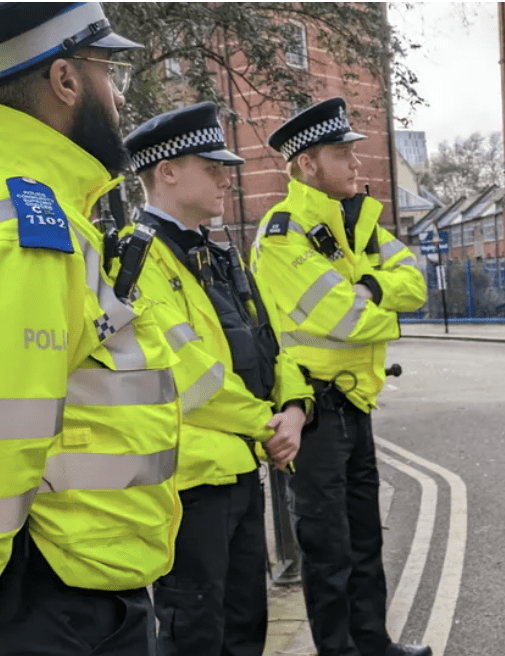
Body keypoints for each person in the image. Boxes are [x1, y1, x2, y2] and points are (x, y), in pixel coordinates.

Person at [0, 3, 184, 655]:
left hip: (66, 583)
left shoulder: (42, 207)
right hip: (57, 596)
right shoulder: (32, 223)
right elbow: (8, 431)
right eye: (111, 72)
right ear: (66, 80)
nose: (119, 96)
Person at [122, 102, 314, 656]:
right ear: (167, 171)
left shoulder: (219, 255)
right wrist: (267, 425)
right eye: (212, 168)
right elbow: (189, 378)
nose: (226, 179)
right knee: (196, 633)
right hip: (191, 483)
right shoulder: (138, 260)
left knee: (246, 625)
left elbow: (272, 342)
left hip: (240, 471)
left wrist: (295, 407)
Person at [249, 97, 429, 656]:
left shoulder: (359, 223)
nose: (356, 162)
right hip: (312, 411)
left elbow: (416, 283)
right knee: (328, 550)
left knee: (365, 539)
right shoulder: (283, 233)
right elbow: (342, 318)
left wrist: (369, 288)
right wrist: (381, 304)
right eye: (341, 153)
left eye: (354, 151)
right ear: (307, 164)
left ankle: (373, 643)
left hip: (355, 404)